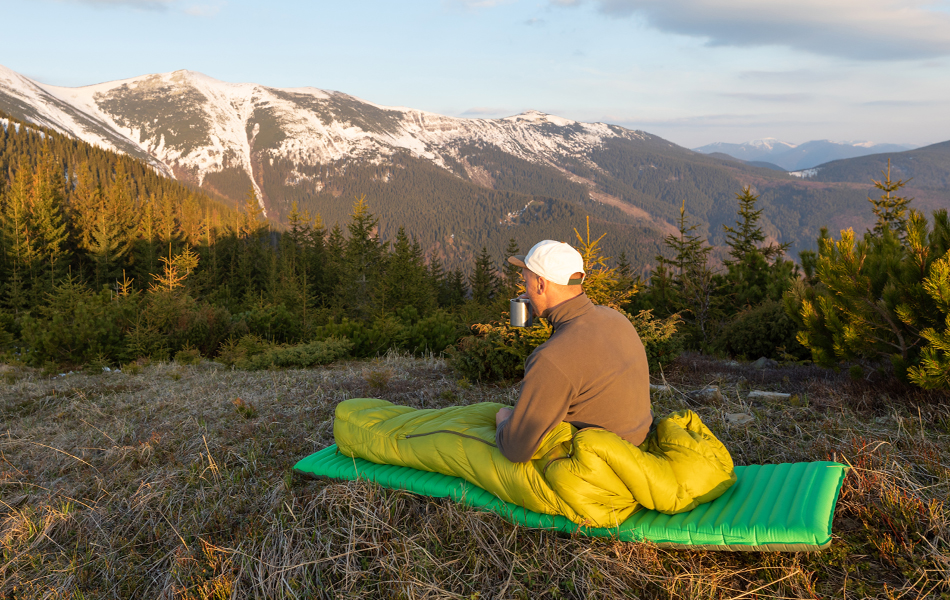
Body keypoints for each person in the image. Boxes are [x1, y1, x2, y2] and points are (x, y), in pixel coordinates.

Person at [495, 240, 653, 463]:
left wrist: (503, 419)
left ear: (541, 284)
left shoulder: (553, 357)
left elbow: (515, 450)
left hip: (602, 462)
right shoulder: (615, 318)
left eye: (526, 282)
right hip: (635, 440)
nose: (524, 290)